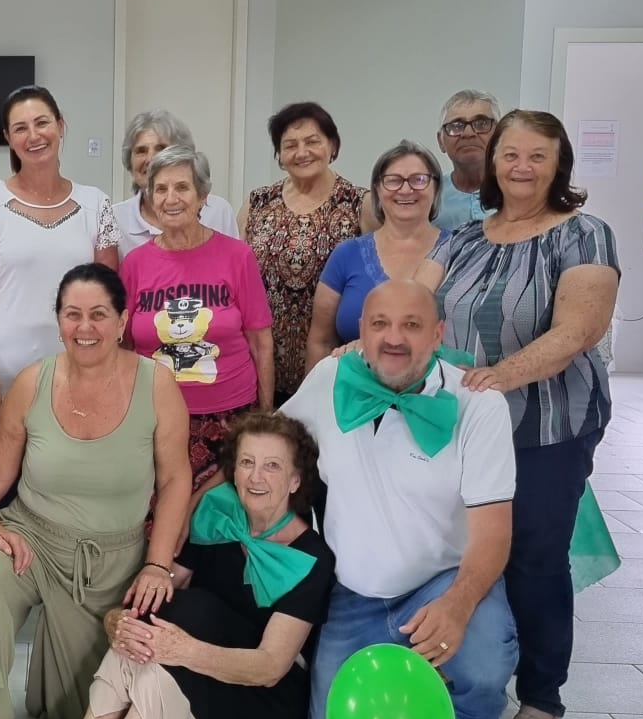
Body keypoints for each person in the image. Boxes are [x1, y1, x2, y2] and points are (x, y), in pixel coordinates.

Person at [0, 265, 193, 719]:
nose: (85, 327)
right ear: (58, 321)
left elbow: (174, 483)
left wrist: (157, 564)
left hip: (112, 559)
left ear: (123, 321)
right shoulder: (34, 381)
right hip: (31, 537)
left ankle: (53, 675)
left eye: (99, 314)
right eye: (72, 314)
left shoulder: (157, 385)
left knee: (68, 716)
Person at [22, 412, 335, 719]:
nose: (256, 477)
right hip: (199, 662)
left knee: (192, 611)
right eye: (246, 462)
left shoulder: (313, 558)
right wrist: (118, 620)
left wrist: (184, 651)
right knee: (165, 611)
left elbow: (270, 667)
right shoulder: (219, 513)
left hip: (263, 693)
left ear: (295, 480)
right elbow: (163, 591)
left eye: (272, 466)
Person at [420, 110, 620, 719]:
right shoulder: (462, 238)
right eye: (511, 154)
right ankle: (474, 671)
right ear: (494, 163)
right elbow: (414, 303)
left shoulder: (584, 235)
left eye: (539, 155)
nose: (523, 167)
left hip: (547, 425)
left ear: (559, 163)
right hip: (464, 424)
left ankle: (541, 693)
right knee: (465, 551)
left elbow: (578, 330)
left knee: (533, 556)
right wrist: (371, 342)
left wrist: (498, 376)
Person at [287, 280, 518, 719]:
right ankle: (413, 694)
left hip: (442, 581)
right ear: (360, 336)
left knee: (481, 659)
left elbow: (494, 531)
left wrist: (458, 606)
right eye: (379, 325)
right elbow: (275, 445)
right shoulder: (330, 378)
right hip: (355, 593)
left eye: (412, 325)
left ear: (438, 334)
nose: (394, 339)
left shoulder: (477, 404)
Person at [0, 86, 119, 467]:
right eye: (21, 128)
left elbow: (109, 302)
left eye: (42, 122)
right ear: (9, 139)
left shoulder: (95, 204)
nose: (34, 135)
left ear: (61, 126)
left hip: (73, 391)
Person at [120, 146, 273, 500]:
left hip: (231, 418)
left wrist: (264, 417)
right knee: (159, 520)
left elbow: (261, 341)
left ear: (203, 196)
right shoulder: (135, 265)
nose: (171, 198)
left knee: (218, 528)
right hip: (158, 419)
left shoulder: (237, 256)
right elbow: (125, 347)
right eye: (160, 189)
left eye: (182, 188)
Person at [240, 102, 364, 405]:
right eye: (290, 145)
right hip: (262, 363)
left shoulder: (359, 204)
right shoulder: (258, 203)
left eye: (312, 141)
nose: (302, 152)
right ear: (280, 156)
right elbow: (238, 278)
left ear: (332, 145)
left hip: (332, 361)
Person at [307, 141, 446, 366]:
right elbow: (320, 342)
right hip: (354, 394)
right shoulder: (346, 254)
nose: (406, 189)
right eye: (393, 180)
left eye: (419, 179)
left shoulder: (461, 251)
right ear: (377, 191)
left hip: (436, 392)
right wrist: (315, 398)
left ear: (436, 188)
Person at [113, 109, 240, 253]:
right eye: (141, 151)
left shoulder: (218, 211)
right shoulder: (115, 219)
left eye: (161, 149)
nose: (150, 159)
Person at [435, 90, 499, 232]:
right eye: (456, 126)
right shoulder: (427, 197)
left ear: (499, 135)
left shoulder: (518, 192)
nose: (468, 134)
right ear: (441, 141)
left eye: (481, 124)